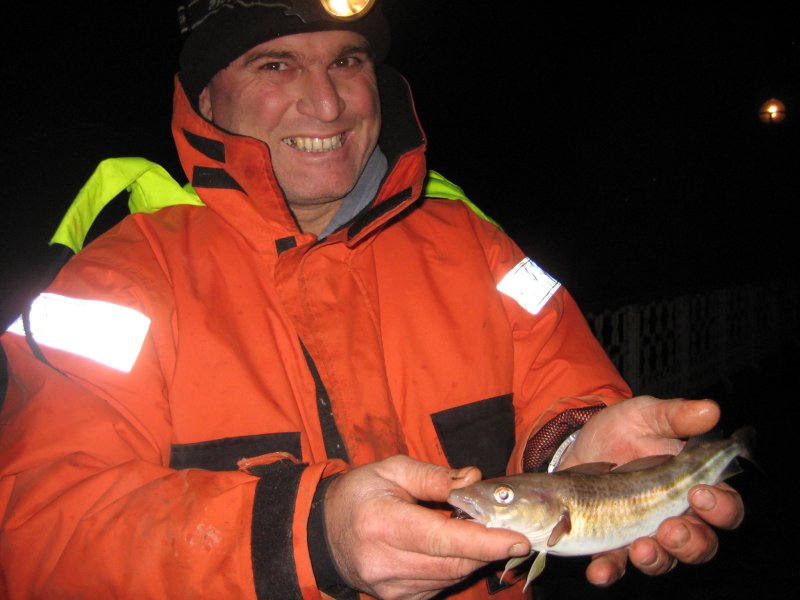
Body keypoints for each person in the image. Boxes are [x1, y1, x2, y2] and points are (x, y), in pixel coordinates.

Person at [0, 1, 744, 598]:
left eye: (348, 62)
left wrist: (579, 450)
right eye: (276, 64)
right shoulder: (114, 279)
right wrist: (314, 536)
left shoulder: (476, 244)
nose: (325, 104)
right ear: (204, 97)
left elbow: (564, 386)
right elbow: (40, 534)